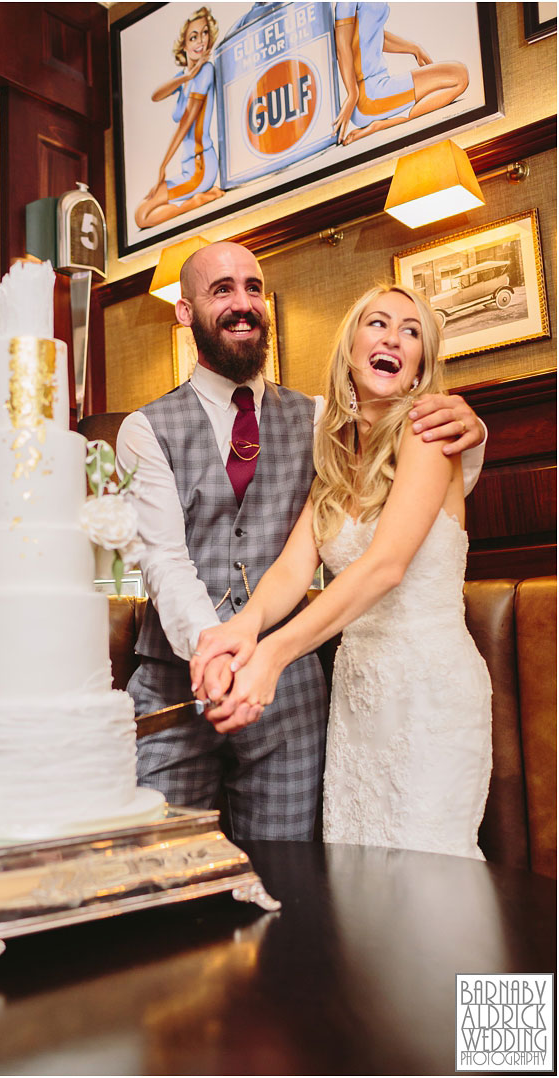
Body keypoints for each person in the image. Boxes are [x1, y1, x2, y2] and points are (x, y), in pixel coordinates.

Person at [114, 241, 485, 841]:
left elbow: (415, 504)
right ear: (185, 312)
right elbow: (169, 564)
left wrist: (476, 429)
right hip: (178, 680)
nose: (242, 303)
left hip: (301, 692)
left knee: (296, 884)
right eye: (222, 289)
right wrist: (220, 650)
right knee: (154, 870)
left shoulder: (315, 420)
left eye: (254, 288)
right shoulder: (144, 429)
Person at [133, 6, 226, 230]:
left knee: (142, 216)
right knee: (142, 210)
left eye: (205, 33)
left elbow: (185, 125)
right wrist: (186, 76)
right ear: (184, 44)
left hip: (201, 165)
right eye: (193, 37)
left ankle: (195, 201)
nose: (201, 41)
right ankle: (192, 200)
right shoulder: (188, 77)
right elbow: (156, 95)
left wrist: (162, 167)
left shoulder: (205, 72)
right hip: (189, 166)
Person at [333, 2, 469, 146]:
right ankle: (383, 124)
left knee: (458, 76)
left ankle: (386, 121)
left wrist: (414, 48)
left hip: (378, 88)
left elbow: (372, 35)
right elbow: (342, 46)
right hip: (368, 97)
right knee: (459, 75)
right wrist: (352, 94)